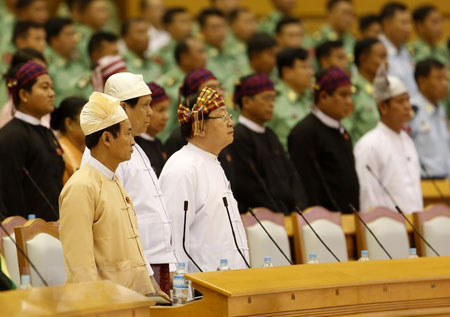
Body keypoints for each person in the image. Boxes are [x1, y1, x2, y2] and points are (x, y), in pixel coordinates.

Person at [81, 73, 177, 294]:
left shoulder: (135, 146)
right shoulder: (104, 151)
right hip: (134, 266)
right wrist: (145, 273)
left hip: (155, 261)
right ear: (123, 108)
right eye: (145, 105)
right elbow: (114, 218)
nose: (150, 112)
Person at [59, 92, 157, 296]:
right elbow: (80, 268)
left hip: (135, 300)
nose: (133, 142)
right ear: (106, 138)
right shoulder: (81, 187)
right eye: (128, 133)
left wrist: (151, 290)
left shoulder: (114, 181)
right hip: (108, 304)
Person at [159, 87, 249, 272]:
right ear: (199, 126)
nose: (230, 122)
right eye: (222, 116)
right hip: (203, 287)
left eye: (228, 115)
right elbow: (174, 238)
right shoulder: (182, 168)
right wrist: (181, 290)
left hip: (229, 280)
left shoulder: (212, 162)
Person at [229, 73, 307, 214]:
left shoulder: (270, 134)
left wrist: (298, 209)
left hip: (288, 217)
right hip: (262, 220)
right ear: (246, 102)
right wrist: (279, 214)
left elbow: (291, 174)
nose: (271, 104)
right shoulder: (238, 137)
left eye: (273, 98)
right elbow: (251, 187)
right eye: (266, 98)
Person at [288, 67, 359, 213]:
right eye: (343, 95)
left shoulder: (343, 131)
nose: (349, 101)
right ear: (324, 96)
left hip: (349, 217)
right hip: (322, 221)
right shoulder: (304, 133)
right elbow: (307, 184)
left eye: (350, 95)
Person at [0, 61, 64, 221]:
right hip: (28, 235)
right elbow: (8, 191)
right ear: (24, 95)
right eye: (44, 87)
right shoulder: (12, 136)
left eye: (52, 87)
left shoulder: (47, 132)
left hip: (54, 227)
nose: (51, 93)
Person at [354, 65, 422, 213]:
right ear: (383, 107)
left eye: (408, 100)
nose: (407, 106)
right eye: (400, 102)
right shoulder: (369, 144)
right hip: (387, 228)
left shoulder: (407, 140)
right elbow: (369, 196)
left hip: (415, 226)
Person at [156, 38, 207, 142]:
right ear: (185, 58)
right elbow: (163, 127)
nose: (205, 57)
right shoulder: (167, 86)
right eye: (200, 52)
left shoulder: (204, 80)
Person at [342, 38, 387, 143]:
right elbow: (346, 131)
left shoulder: (385, 89)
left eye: (386, 57)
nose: (386, 62)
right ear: (364, 59)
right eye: (381, 57)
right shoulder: (352, 91)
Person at [410, 59, 450, 178]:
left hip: (445, 180)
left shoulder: (440, 109)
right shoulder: (411, 110)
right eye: (439, 79)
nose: (445, 84)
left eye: (445, 78)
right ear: (422, 81)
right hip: (423, 181)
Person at [269, 47, 314, 149]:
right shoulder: (273, 100)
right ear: (287, 72)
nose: (311, 73)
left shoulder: (313, 97)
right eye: (304, 68)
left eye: (311, 67)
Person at [379, 2, 418, 98]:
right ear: (387, 24)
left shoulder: (405, 50)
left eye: (410, 23)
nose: (409, 28)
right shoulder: (377, 50)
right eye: (404, 23)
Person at [44, 17, 86, 106]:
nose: (74, 39)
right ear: (54, 40)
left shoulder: (78, 59)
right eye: (68, 35)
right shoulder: (46, 65)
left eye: (74, 34)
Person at [199, 8, 240, 95]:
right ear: (202, 30)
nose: (220, 32)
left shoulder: (235, 53)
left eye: (222, 26)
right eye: (214, 27)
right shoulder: (199, 57)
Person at [135, 82, 169, 177]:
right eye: (160, 110)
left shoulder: (158, 143)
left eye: (166, 110)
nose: (166, 116)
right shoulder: (134, 144)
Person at [50, 96, 87, 183]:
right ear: (69, 123)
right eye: (87, 119)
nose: (93, 124)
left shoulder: (88, 149)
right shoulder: (59, 154)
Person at [121, 18, 162, 83]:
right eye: (140, 32)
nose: (147, 36)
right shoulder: (122, 64)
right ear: (126, 38)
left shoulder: (154, 60)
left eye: (147, 31)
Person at [153, 7, 192, 72]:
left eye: (189, 21)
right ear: (169, 27)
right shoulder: (160, 55)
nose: (189, 26)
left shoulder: (199, 50)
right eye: (183, 22)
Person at [73, 0, 110, 67]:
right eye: (99, 10)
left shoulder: (104, 34)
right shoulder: (78, 37)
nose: (105, 15)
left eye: (106, 10)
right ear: (85, 13)